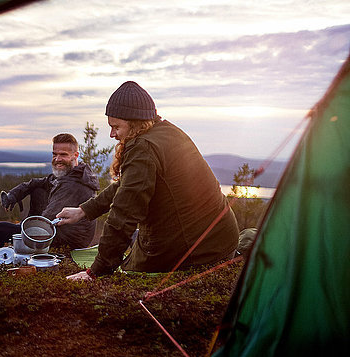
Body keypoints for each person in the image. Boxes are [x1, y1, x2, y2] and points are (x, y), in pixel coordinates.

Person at [57, 81, 239, 280]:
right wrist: (84, 211)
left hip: (197, 253)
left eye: (116, 127)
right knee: (135, 244)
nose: (112, 134)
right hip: (220, 238)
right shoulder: (167, 131)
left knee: (133, 263)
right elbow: (127, 185)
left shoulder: (143, 148)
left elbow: (124, 213)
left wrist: (96, 272)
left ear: (134, 122)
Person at [0, 133, 100, 252]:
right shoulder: (72, 173)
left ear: (75, 155)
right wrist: (14, 195)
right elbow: (37, 183)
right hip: (61, 230)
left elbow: (45, 223)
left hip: (69, 242)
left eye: (63, 155)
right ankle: (23, 232)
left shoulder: (72, 185)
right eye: (54, 154)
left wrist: (21, 230)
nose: (57, 159)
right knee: (38, 190)